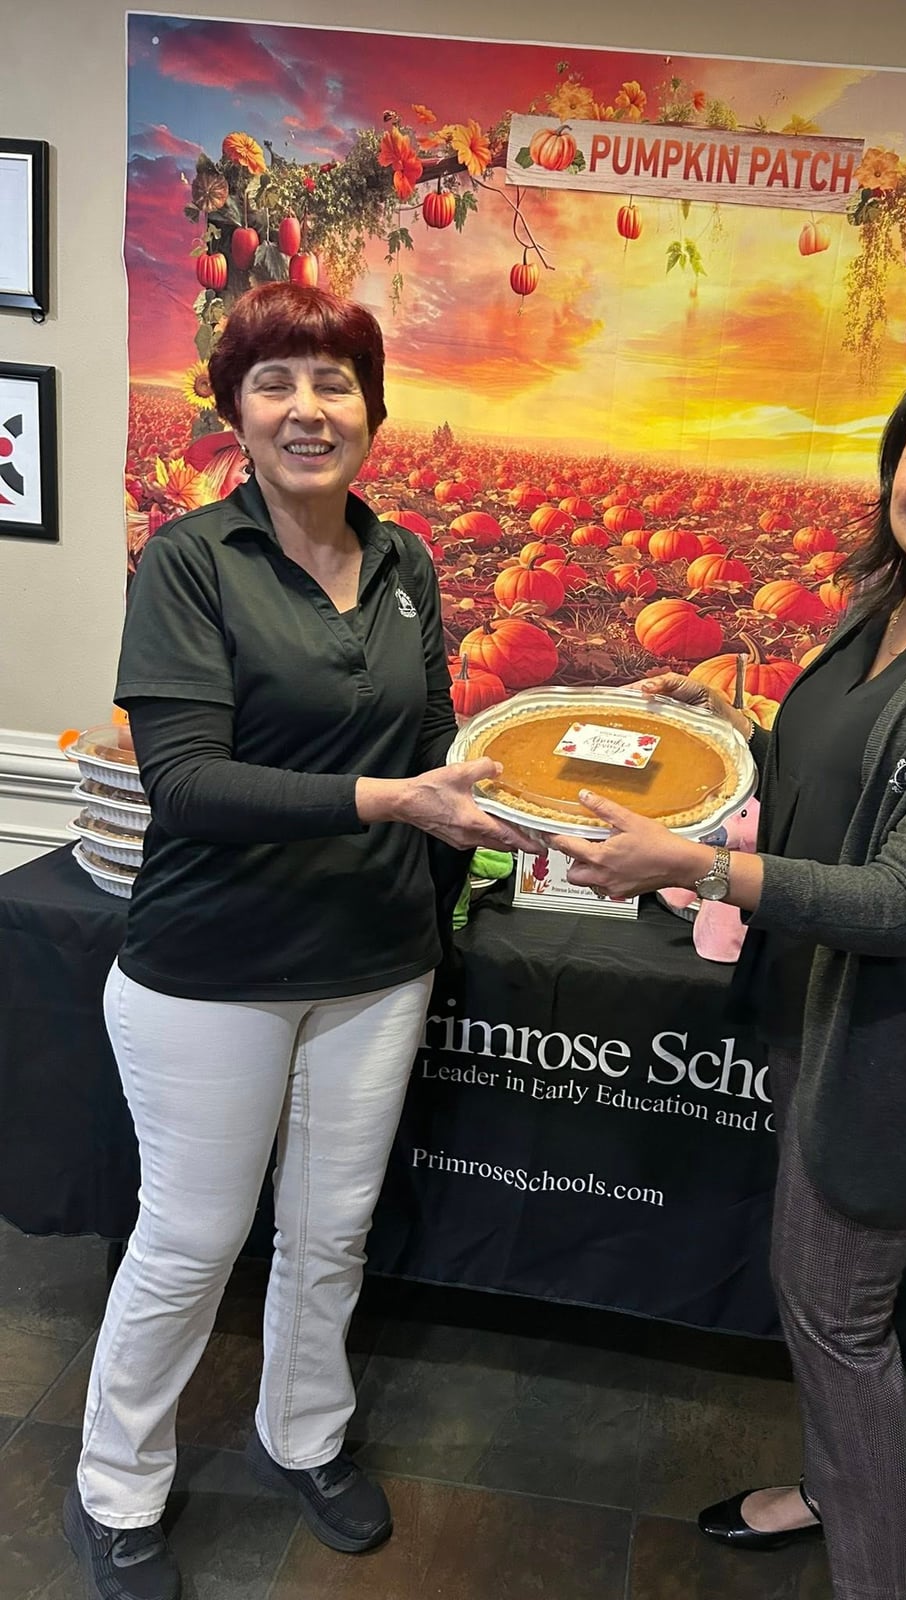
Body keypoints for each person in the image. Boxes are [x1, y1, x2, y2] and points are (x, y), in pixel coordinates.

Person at [549, 356, 906, 1600]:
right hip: (822, 1015)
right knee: (817, 1300)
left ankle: (890, 1573)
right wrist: (726, 724)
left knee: (841, 1325)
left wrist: (690, 863)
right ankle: (826, 1483)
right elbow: (830, 781)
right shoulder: (888, 604)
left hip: (901, 1048)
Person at [64, 281, 543, 1600]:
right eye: (275, 382)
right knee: (195, 1238)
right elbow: (189, 782)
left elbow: (440, 739)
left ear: (373, 412)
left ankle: (306, 1434)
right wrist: (394, 800)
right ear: (233, 410)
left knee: (332, 1230)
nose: (307, 408)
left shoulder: (406, 565)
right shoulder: (187, 563)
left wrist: (551, 766)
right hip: (211, 972)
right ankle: (117, 1484)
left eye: (334, 382)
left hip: (378, 959)